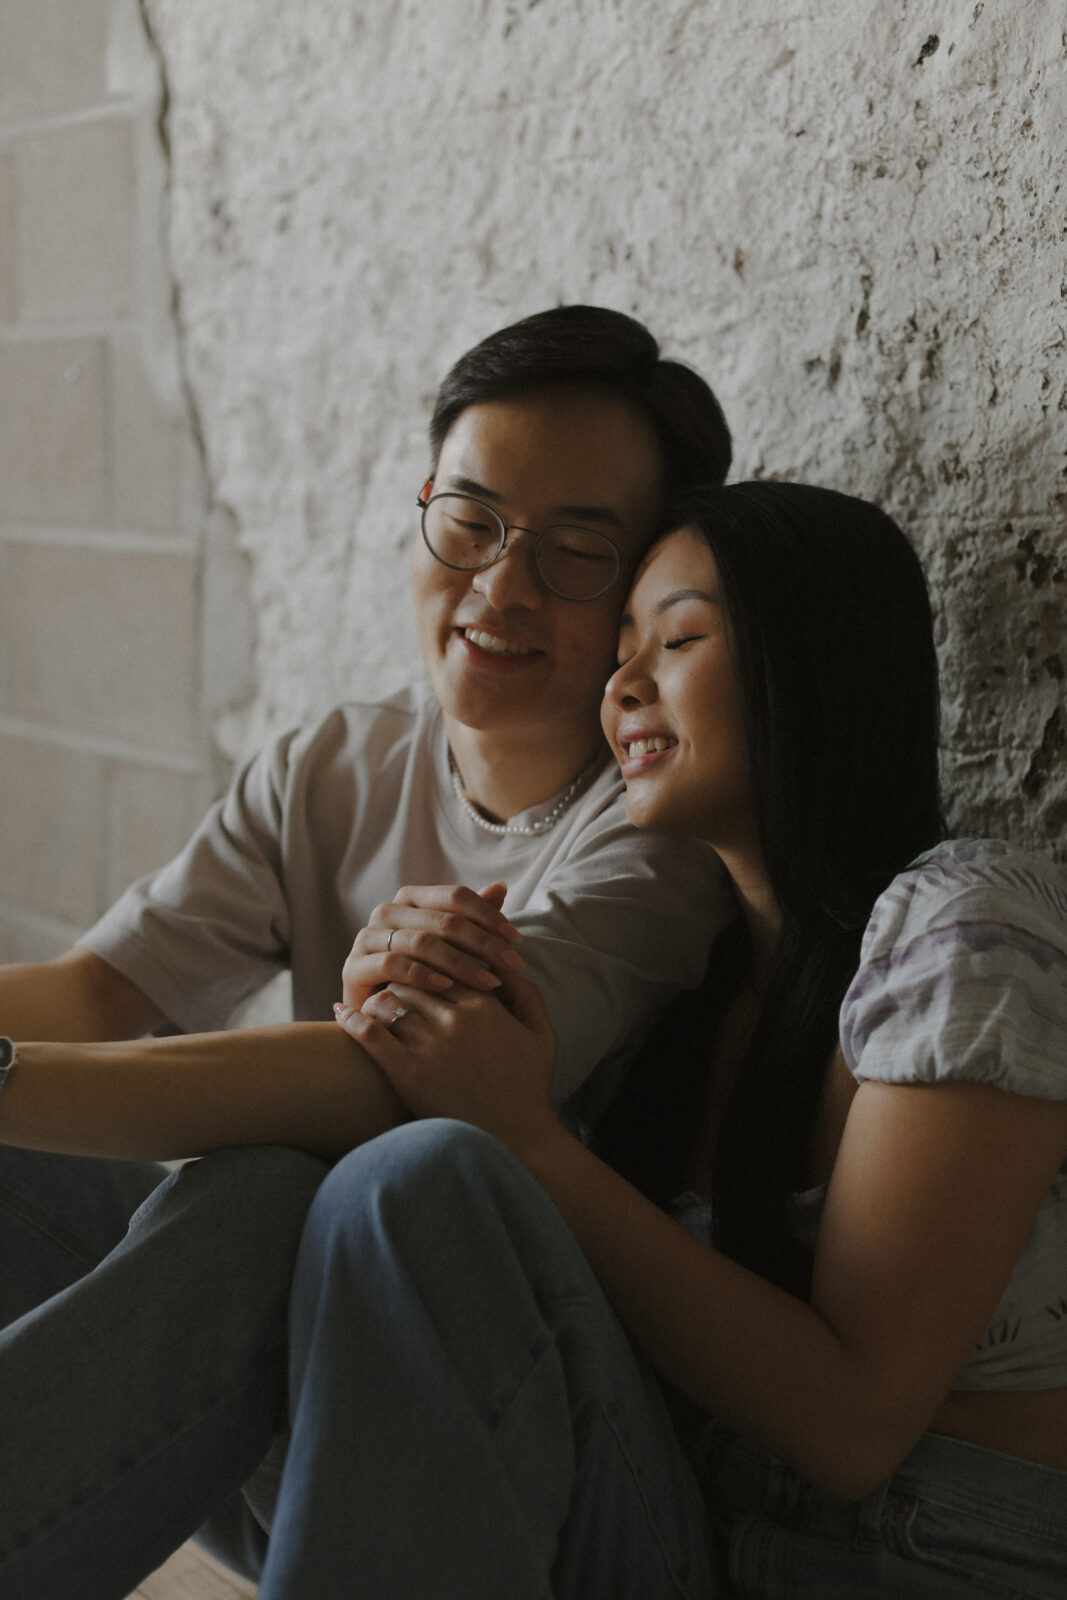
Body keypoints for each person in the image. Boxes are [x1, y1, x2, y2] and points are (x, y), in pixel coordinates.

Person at [0, 305, 735, 1599]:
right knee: (39, 1169)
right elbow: (103, 991)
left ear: (641, 594)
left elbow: (395, 1080)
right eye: (469, 523)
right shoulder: (337, 763)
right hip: (330, 1450)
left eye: (573, 553)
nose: (500, 588)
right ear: (420, 511)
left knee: (341, 1177)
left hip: (553, 1473)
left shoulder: (654, 833)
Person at [271, 480, 1067, 1598]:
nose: (623, 686)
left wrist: (518, 1135)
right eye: (620, 654)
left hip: (915, 1555)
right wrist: (394, 983)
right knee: (217, 1196)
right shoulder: (690, 995)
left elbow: (851, 1426)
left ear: (814, 665)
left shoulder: (964, 927)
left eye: (677, 638)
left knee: (412, 1179)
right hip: (690, 1530)